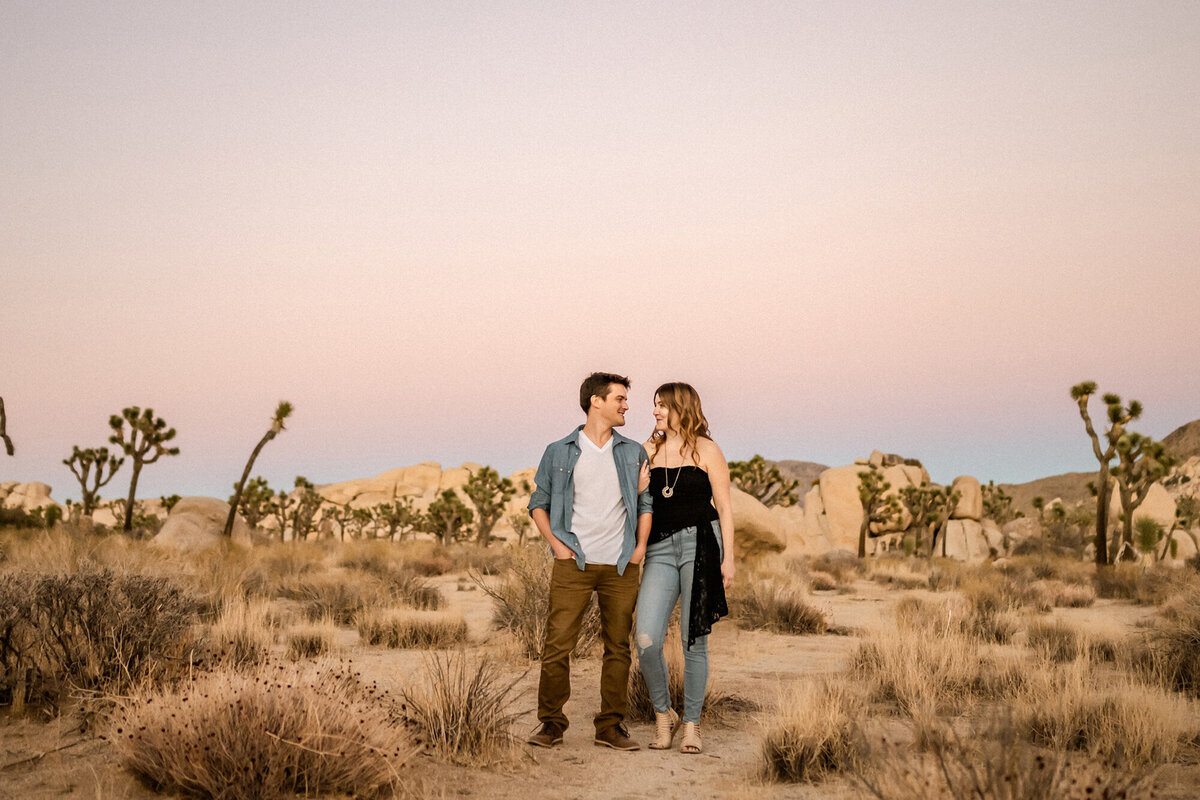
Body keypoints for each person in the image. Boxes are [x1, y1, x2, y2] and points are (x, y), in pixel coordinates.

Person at [526, 372, 653, 751]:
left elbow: (645, 503)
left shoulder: (633, 452)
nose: (626, 405)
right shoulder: (559, 450)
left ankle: (610, 726)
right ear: (595, 401)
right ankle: (551, 724)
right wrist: (555, 544)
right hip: (573, 563)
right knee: (557, 644)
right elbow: (538, 503)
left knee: (617, 646)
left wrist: (639, 548)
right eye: (619, 398)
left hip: (620, 565)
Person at [634, 382, 735, 754]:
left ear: (682, 407)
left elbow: (723, 507)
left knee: (694, 641)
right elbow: (634, 502)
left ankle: (691, 723)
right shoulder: (646, 450)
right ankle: (665, 714)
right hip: (659, 549)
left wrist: (730, 558)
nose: (656, 411)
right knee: (645, 639)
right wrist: (637, 482)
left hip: (701, 544)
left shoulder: (707, 450)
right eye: (655, 405)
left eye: (662, 405)